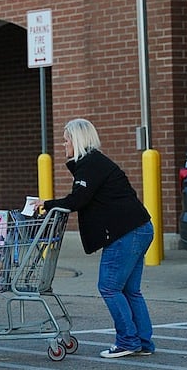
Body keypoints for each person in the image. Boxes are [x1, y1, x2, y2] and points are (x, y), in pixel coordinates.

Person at [34, 118, 155, 358]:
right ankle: (142, 342)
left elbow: (78, 200)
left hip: (126, 232)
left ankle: (128, 342)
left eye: (66, 139)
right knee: (130, 290)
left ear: (77, 140)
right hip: (140, 227)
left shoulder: (89, 165)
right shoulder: (95, 163)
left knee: (109, 287)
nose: (63, 144)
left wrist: (46, 204)